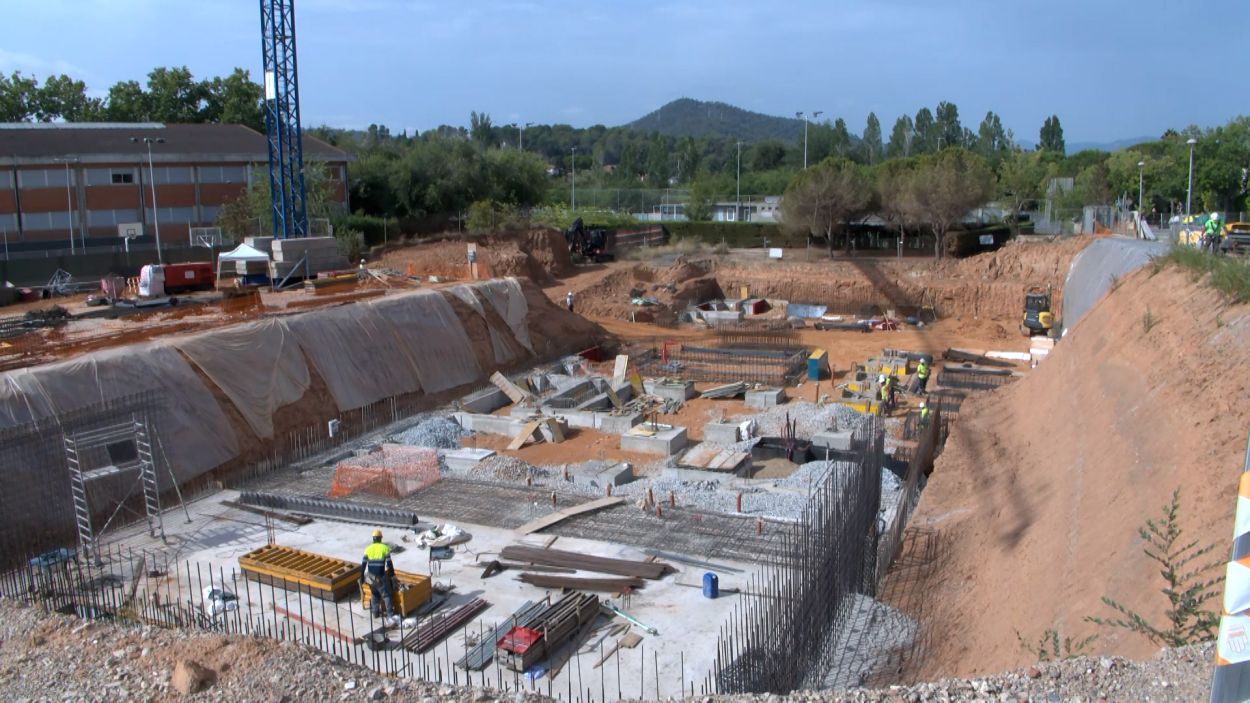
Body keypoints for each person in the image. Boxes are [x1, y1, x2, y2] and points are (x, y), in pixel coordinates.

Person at [360, 529, 397, 623]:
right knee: (386, 595)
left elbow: (363, 564)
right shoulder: (385, 548)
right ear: (380, 538)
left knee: (374, 594)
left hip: (370, 577)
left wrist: (361, 578)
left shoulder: (368, 549)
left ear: (373, 538)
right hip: (380, 576)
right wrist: (392, 575)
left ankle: (375, 613)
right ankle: (390, 615)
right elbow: (389, 563)